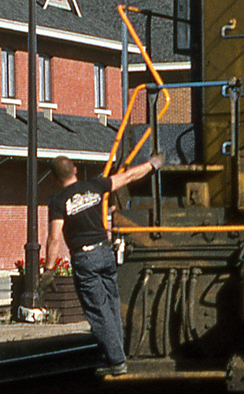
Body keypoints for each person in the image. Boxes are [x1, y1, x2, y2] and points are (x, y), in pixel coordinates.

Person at [45, 152, 162, 376]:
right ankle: (118, 353)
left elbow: (54, 238)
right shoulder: (95, 185)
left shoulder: (59, 202)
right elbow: (127, 177)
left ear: (54, 178)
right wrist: (152, 165)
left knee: (98, 310)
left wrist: (49, 270)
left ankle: (117, 361)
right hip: (105, 252)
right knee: (111, 304)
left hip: (85, 258)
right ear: (75, 170)